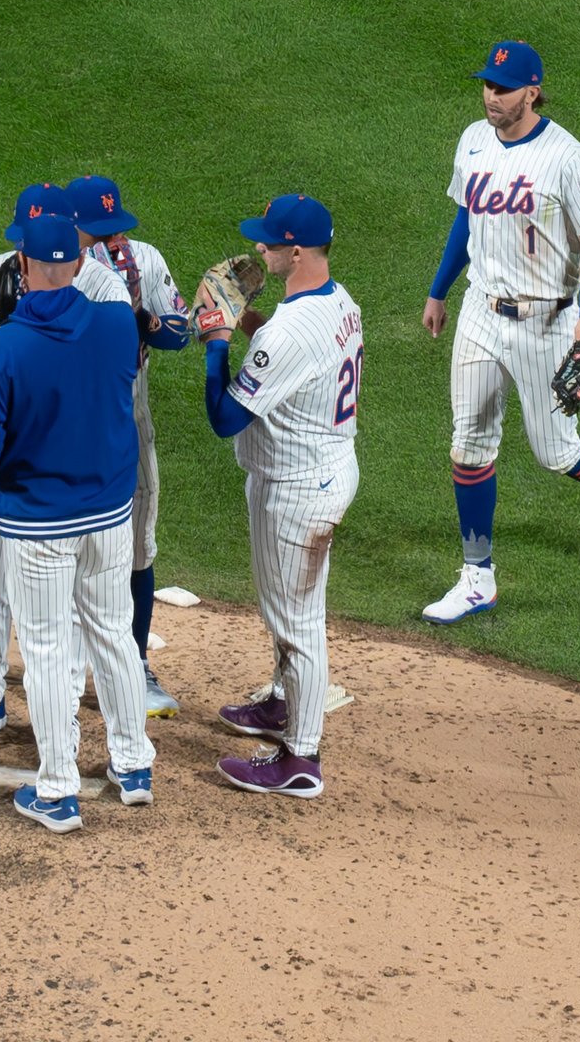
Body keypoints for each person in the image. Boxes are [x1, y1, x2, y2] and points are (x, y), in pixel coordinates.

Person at [0, 213, 155, 834]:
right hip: (110, 515)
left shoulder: (7, 346)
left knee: (43, 649)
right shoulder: (117, 325)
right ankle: (133, 765)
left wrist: (21, 458)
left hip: (40, 523)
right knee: (113, 634)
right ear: (78, 266)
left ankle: (59, 789)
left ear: (21, 268)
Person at [420, 41, 580, 625]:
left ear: (532, 91)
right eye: (487, 85)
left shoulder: (570, 158)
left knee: (554, 450)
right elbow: (465, 216)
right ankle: (477, 577)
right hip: (481, 313)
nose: (492, 96)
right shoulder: (472, 140)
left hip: (549, 320)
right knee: (469, 444)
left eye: (504, 87)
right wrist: (439, 290)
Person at [0, 184, 130, 751]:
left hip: (66, 470)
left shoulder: (105, 288)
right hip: (9, 467)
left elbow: (106, 389)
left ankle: (60, 713)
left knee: (64, 607)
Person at [200, 194, 361, 799]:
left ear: (296, 253)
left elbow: (224, 419)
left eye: (269, 241)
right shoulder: (339, 300)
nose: (257, 248)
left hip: (297, 491)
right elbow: (299, 355)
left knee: (298, 622)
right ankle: (281, 702)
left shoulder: (291, 331)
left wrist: (217, 340)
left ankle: (301, 758)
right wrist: (246, 325)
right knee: (294, 612)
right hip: (325, 468)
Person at [65, 175, 191, 719]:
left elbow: (178, 333)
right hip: (62, 421)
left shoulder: (142, 259)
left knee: (139, 542)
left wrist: (151, 323)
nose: (108, 240)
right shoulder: (40, 267)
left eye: (114, 229)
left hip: (127, 416)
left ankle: (134, 663)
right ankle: (52, 666)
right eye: (97, 231)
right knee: (50, 546)